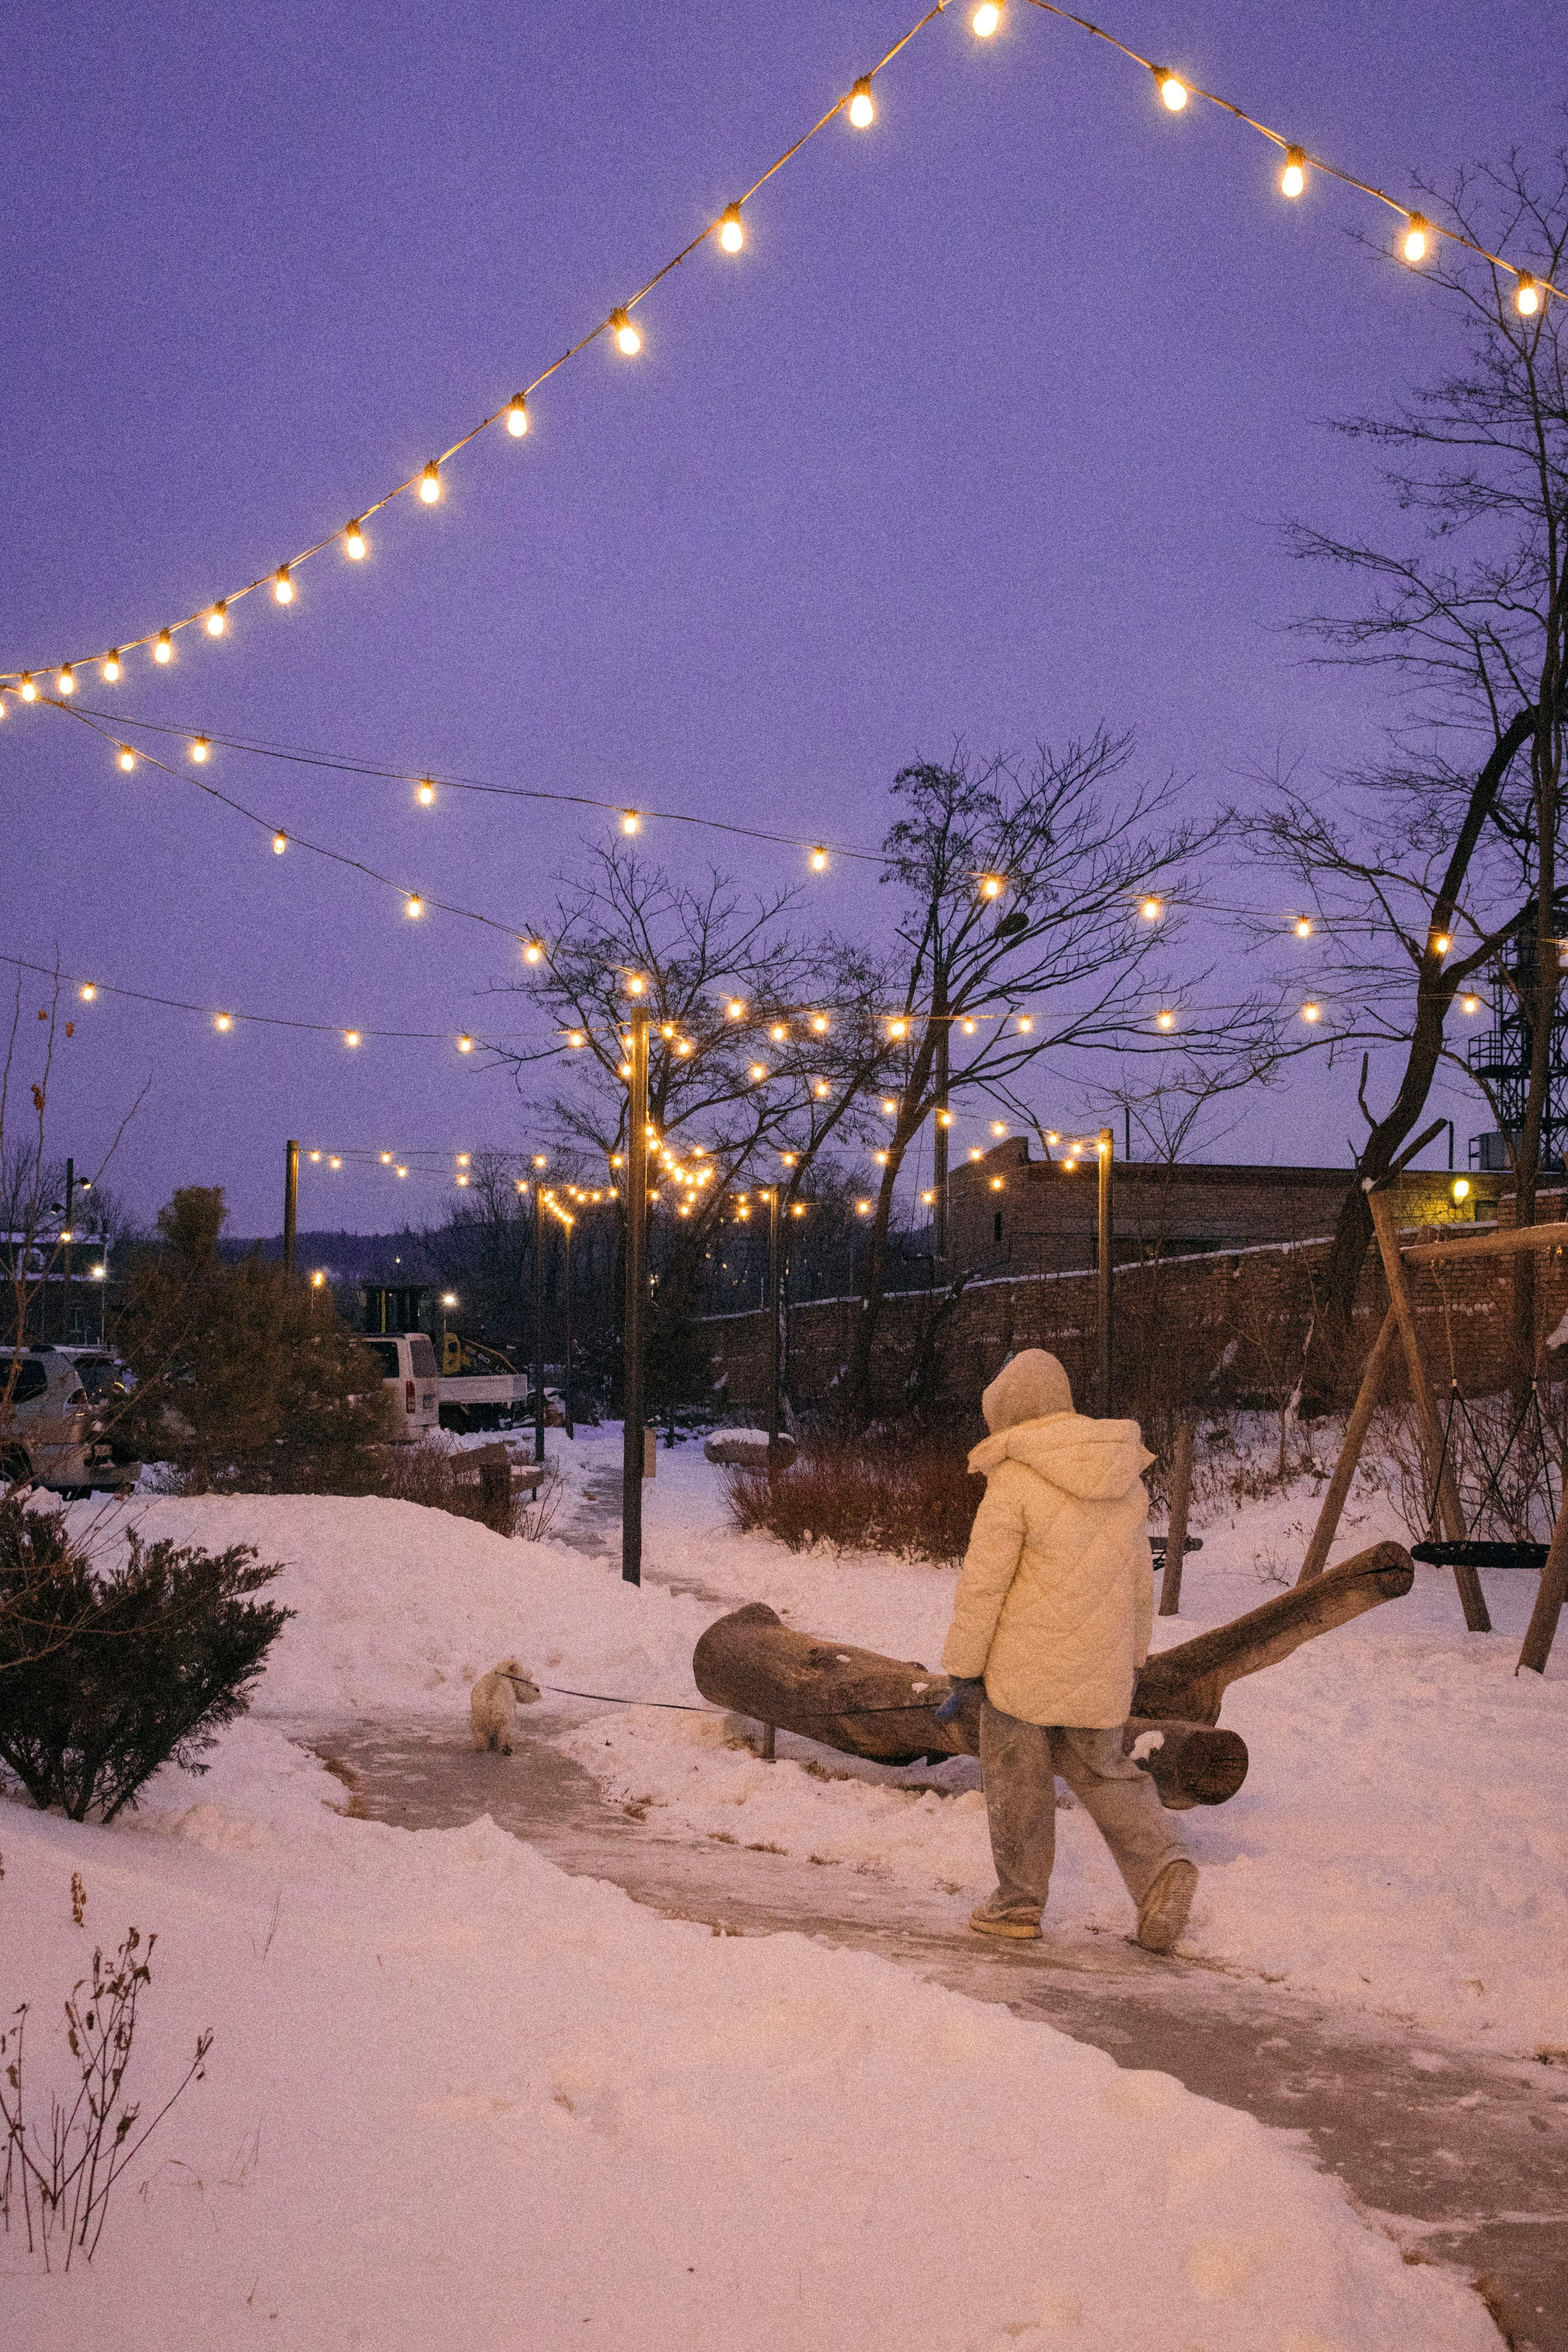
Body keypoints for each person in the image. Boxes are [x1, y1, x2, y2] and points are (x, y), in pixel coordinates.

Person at [938, 1348, 1197, 1953]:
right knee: (1105, 1771)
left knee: (1017, 1782)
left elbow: (984, 1585)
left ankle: (1017, 1904)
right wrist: (1133, 1658)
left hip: (1020, 1671)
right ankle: (1162, 1868)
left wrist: (963, 1667)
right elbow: (1139, 1582)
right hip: (1100, 1662)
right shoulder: (1123, 1478)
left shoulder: (1014, 1479)